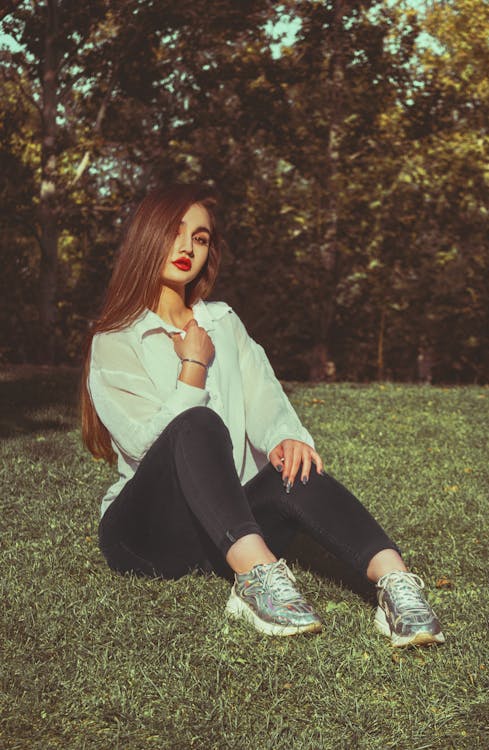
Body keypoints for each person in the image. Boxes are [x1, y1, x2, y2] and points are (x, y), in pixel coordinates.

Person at [81, 183, 444, 647]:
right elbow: (144, 444)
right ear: (146, 236)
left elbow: (265, 396)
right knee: (197, 421)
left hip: (222, 530)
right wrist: (192, 367)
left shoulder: (223, 323)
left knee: (293, 465)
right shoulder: (116, 338)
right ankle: (257, 579)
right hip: (146, 534)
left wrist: (286, 436)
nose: (187, 247)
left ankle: (397, 587)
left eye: (201, 237)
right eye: (175, 232)